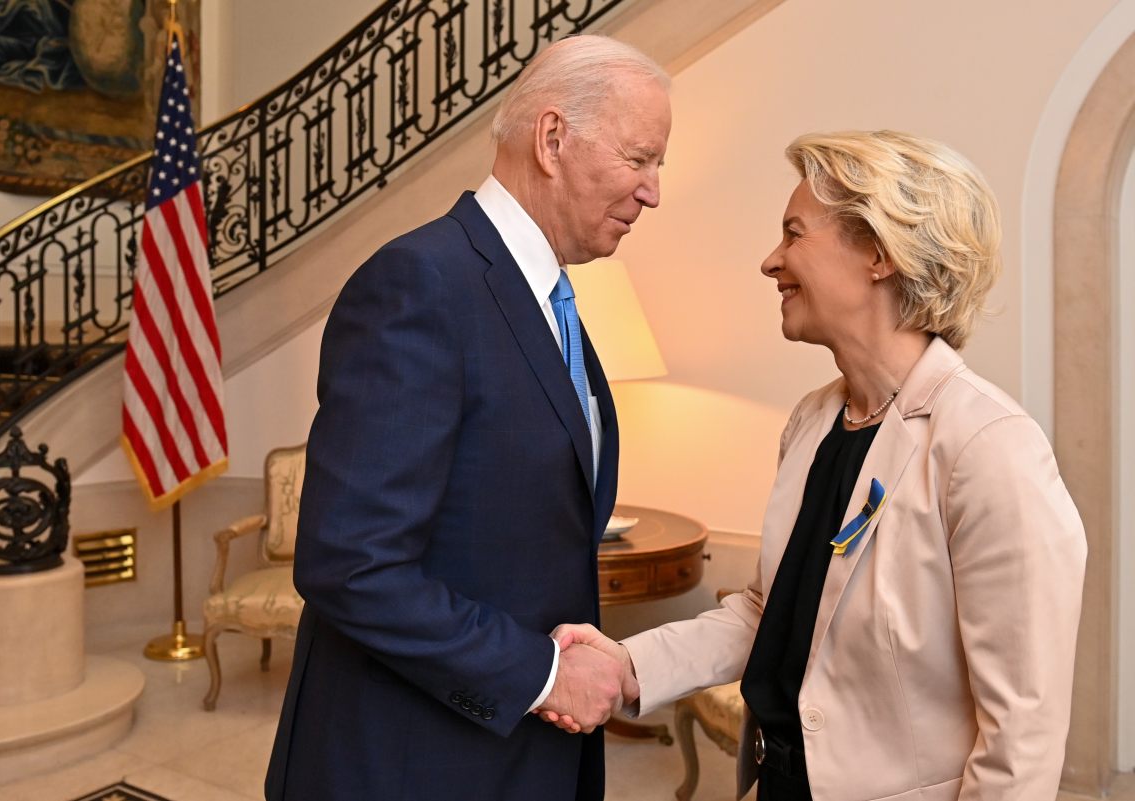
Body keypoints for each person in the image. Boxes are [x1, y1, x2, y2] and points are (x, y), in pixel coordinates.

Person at [547, 130, 1087, 801]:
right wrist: (630, 662)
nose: (770, 261)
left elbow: (1022, 740)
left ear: (879, 253)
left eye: (794, 233)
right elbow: (769, 612)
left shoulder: (989, 446)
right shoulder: (814, 420)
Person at [263, 35, 671, 801]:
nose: (652, 191)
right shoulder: (420, 283)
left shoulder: (549, 300)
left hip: (518, 756)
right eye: (639, 158)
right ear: (553, 140)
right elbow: (352, 563)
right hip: (413, 761)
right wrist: (544, 675)